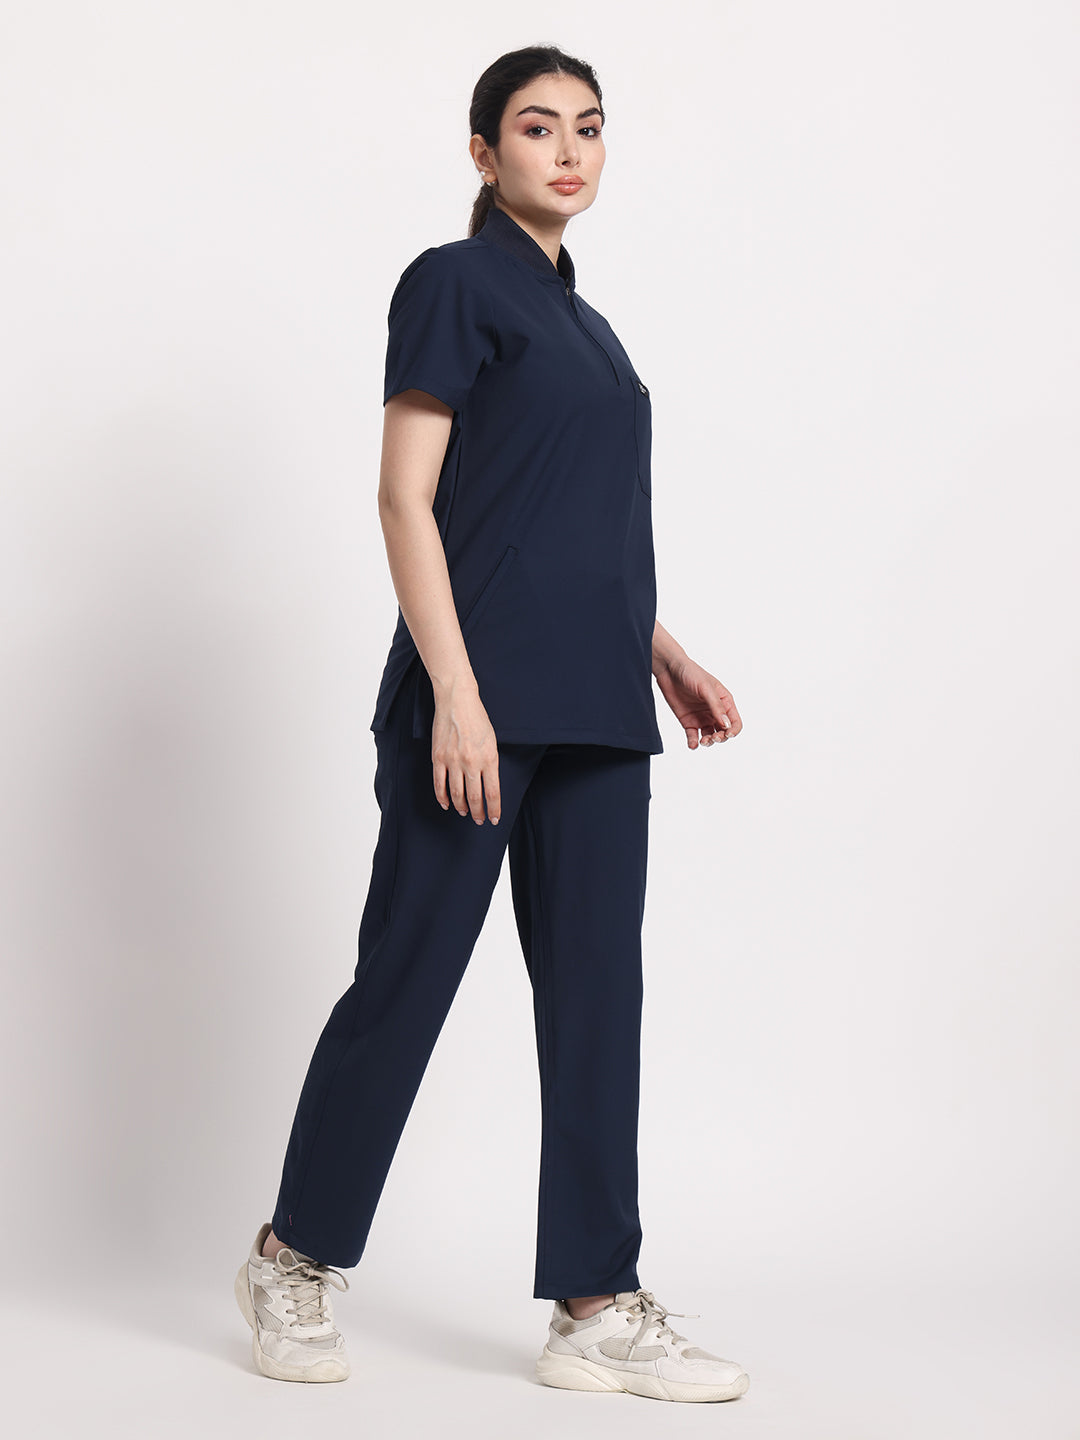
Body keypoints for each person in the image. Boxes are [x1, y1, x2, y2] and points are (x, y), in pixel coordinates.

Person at [234, 44, 749, 1405]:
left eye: (589, 127)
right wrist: (457, 698)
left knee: (597, 1001)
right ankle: (293, 1257)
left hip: (597, 710)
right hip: (477, 704)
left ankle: (594, 1304)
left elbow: (560, 522)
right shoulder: (454, 282)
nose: (568, 151)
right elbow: (407, 498)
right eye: (536, 127)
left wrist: (663, 651)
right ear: (484, 152)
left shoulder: (592, 327)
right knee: (408, 978)